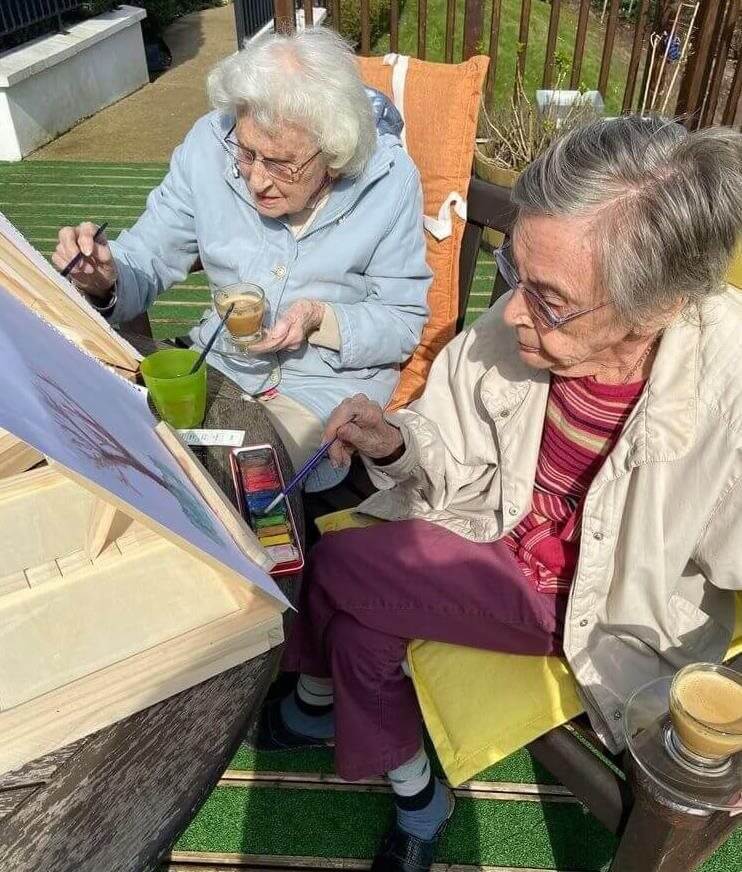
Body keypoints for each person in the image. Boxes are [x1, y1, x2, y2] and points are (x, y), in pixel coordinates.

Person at [256, 116, 742, 872]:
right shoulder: (529, 320)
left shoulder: (729, 391)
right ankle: (420, 798)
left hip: (601, 602)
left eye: (548, 300)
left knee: (338, 566)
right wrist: (394, 441)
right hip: (497, 529)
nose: (513, 311)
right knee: (360, 629)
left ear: (659, 306)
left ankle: (313, 700)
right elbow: (451, 437)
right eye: (515, 272)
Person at [52, 26, 430, 490]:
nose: (256, 180)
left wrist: (321, 319)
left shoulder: (388, 182)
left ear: (334, 153)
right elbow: (148, 253)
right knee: (97, 431)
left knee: (231, 481)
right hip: (217, 365)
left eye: (281, 163)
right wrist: (105, 277)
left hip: (319, 390)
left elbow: (402, 321)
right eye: (247, 153)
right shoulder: (210, 146)